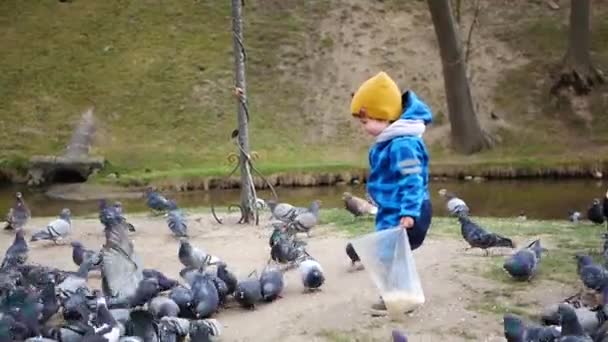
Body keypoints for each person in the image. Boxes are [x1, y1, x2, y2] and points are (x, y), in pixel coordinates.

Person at [350, 71, 433, 313]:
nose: (363, 127)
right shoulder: (391, 141)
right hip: (392, 209)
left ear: (383, 116)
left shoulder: (403, 144)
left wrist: (408, 211)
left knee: (390, 255)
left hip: (405, 211)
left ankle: (400, 298)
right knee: (389, 255)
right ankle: (397, 296)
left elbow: (412, 179)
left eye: (365, 121)